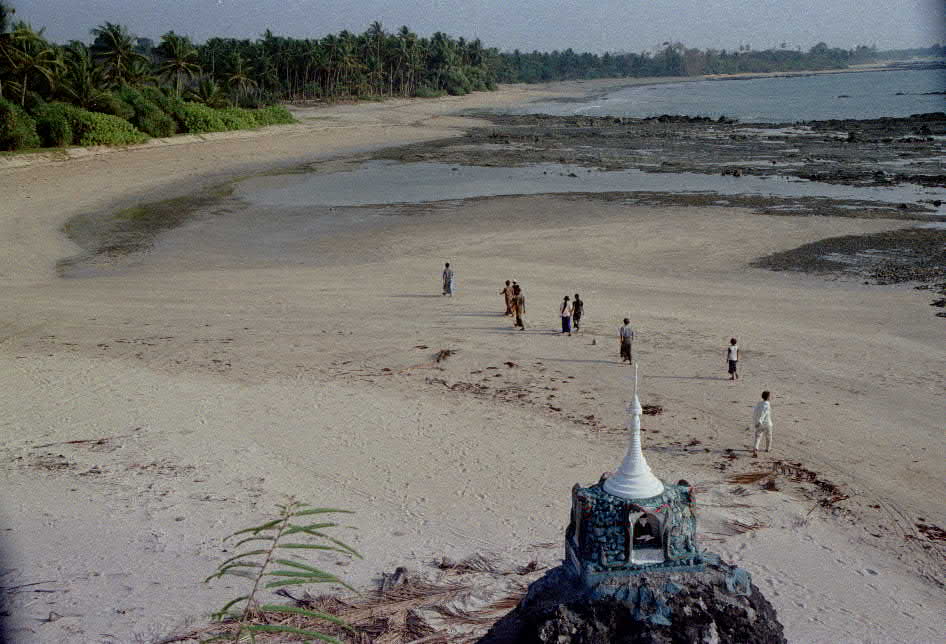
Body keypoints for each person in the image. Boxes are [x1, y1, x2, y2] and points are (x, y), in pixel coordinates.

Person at [752, 391, 773, 457]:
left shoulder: (759, 403)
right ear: (768, 397)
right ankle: (768, 448)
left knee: (758, 436)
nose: (771, 397)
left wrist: (756, 421)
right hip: (767, 423)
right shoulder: (767, 404)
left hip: (759, 423)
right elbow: (763, 413)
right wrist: (760, 421)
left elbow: (755, 412)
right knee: (768, 436)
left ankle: (755, 448)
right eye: (770, 396)